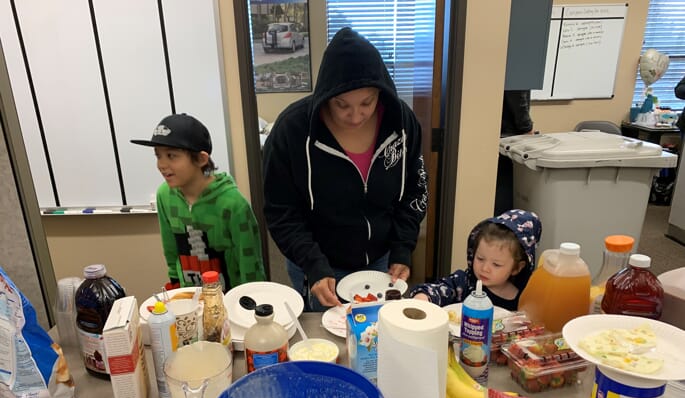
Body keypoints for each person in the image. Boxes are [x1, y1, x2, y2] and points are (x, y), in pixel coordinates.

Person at [262, 27, 428, 311]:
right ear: (327, 96)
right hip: (317, 264)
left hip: (381, 261)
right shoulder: (292, 130)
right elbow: (281, 211)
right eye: (342, 105)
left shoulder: (402, 123)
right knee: (326, 344)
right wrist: (313, 264)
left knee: (377, 339)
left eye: (367, 103)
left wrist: (403, 247)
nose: (355, 116)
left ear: (380, 92)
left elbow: (414, 189)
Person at [131, 113, 266, 292]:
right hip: (191, 297)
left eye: (171, 156)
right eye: (158, 155)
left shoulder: (233, 204)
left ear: (201, 159)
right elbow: (171, 248)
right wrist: (176, 285)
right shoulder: (164, 195)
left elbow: (250, 260)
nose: (161, 164)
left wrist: (250, 301)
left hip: (231, 299)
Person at [409, 209, 541, 310]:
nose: (485, 268)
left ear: (517, 268)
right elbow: (438, 289)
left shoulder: (526, 296)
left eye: (496, 264)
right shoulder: (465, 282)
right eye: (480, 258)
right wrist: (423, 297)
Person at [495, 90, 533, 216]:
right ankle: (504, 230)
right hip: (511, 134)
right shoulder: (518, 72)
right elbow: (516, 92)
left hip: (503, 130)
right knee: (506, 189)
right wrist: (527, 128)